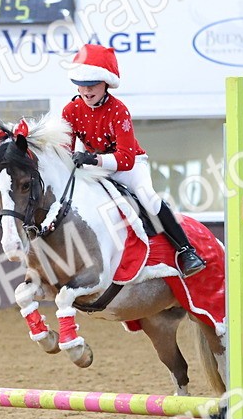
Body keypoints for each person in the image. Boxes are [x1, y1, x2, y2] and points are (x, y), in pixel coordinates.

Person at [62, 44, 206, 278]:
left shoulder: (118, 110)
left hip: (128, 166)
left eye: (93, 85)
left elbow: (126, 159)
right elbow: (64, 149)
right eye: (82, 86)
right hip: (94, 166)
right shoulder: (70, 110)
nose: (86, 91)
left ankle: (186, 250)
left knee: (148, 198)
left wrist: (93, 159)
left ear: (106, 84)